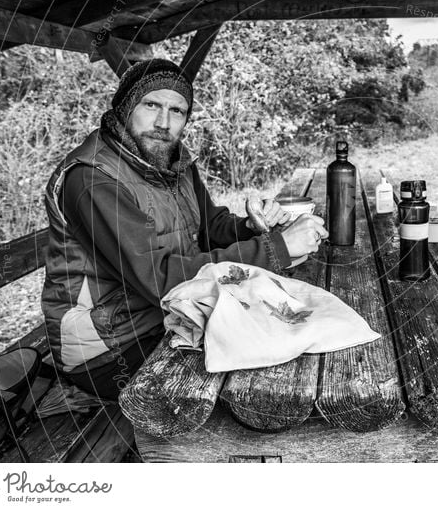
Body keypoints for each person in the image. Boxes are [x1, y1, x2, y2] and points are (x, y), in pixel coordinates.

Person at [41, 59, 328, 399]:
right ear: (124, 108)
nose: (164, 122)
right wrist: (277, 249)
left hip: (168, 316)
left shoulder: (172, 162)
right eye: (152, 105)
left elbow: (212, 226)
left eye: (177, 111)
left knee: (301, 335)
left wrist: (250, 226)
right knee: (267, 369)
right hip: (109, 347)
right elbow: (159, 279)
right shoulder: (93, 179)